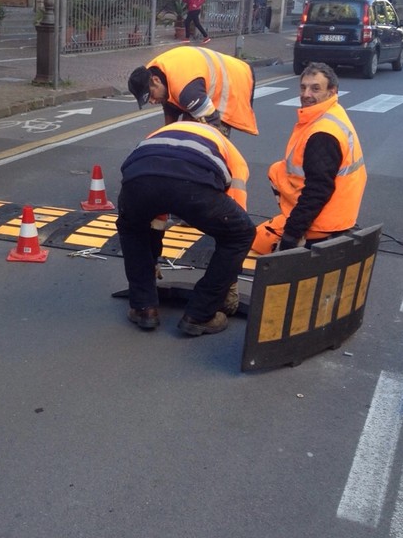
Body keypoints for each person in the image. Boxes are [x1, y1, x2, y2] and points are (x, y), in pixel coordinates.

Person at [117, 120, 256, 335]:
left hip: (138, 180)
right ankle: (200, 315)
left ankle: (144, 308)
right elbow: (235, 217)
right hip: (191, 184)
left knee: (133, 230)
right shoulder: (232, 154)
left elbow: (156, 214)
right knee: (241, 233)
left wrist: (152, 259)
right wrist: (230, 280)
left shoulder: (160, 132)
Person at [252, 61, 367, 254]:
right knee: (277, 169)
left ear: (332, 91)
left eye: (315, 89)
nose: (306, 95)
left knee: (257, 244)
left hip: (321, 224)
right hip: (339, 215)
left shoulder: (322, 134)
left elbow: (317, 191)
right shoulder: (332, 113)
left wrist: (292, 235)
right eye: (303, 87)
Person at [127, 45, 258, 138]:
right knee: (186, 133)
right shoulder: (153, 74)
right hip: (197, 78)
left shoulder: (187, 92)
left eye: (150, 96)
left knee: (210, 139)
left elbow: (213, 124)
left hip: (232, 79)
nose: (152, 101)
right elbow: (170, 110)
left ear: (155, 81)